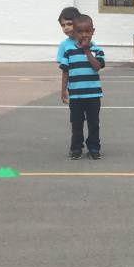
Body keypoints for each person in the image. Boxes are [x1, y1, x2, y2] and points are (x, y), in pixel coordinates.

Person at [57, 14, 105, 160]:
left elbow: (97, 67)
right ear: (75, 33)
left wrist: (87, 51)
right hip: (76, 95)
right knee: (76, 123)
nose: (84, 35)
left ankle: (94, 147)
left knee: (93, 123)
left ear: (93, 31)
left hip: (93, 95)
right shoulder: (69, 51)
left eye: (87, 31)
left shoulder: (97, 50)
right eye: (80, 32)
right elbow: (65, 71)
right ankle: (76, 148)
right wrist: (63, 90)